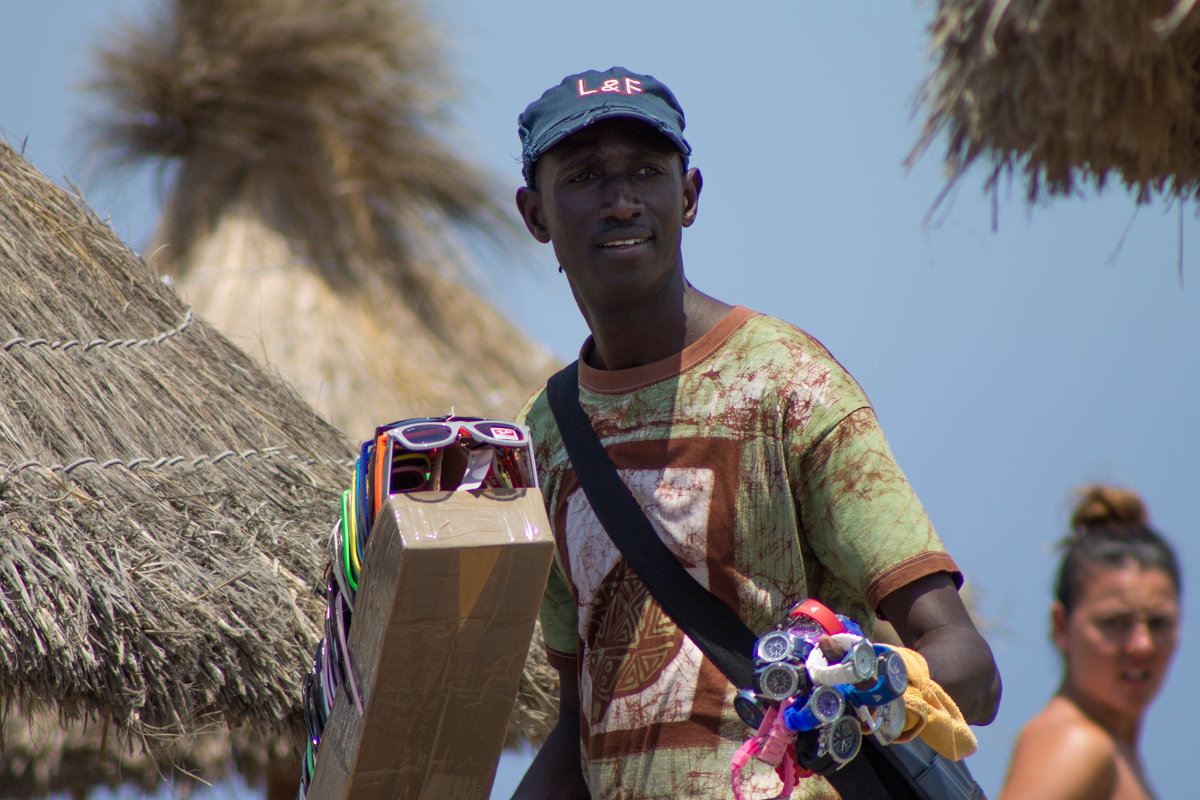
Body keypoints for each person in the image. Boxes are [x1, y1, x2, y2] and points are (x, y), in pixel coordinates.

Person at [509, 66, 1002, 800]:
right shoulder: (547, 437)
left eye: (646, 171)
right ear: (536, 213)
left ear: (688, 196)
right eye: (584, 176)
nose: (620, 201)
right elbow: (586, 719)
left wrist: (868, 685)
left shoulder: (789, 384)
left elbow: (970, 667)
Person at [999, 486, 1181, 800]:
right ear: (1061, 627)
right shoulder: (1076, 745)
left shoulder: (1117, 756)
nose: (1143, 644)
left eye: (1159, 623)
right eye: (1115, 623)